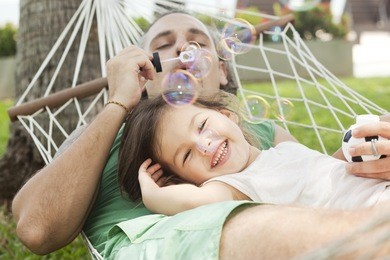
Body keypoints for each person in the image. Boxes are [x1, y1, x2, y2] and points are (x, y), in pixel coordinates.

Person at [11, 11, 390, 259]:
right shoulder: (105, 133)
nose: (184, 48)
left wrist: (371, 153)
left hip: (313, 219)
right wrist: (118, 105)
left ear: (223, 73)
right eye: (162, 47)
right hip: (175, 236)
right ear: (142, 75)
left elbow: (313, 180)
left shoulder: (258, 131)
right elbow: (36, 228)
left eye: (198, 40)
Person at [118, 94, 390, 216]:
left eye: (201, 126)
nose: (204, 145)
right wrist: (153, 196)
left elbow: (325, 175)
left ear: (227, 115)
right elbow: (195, 202)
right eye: (186, 156)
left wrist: (356, 147)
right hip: (369, 215)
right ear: (184, 179)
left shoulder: (280, 149)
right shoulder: (232, 187)